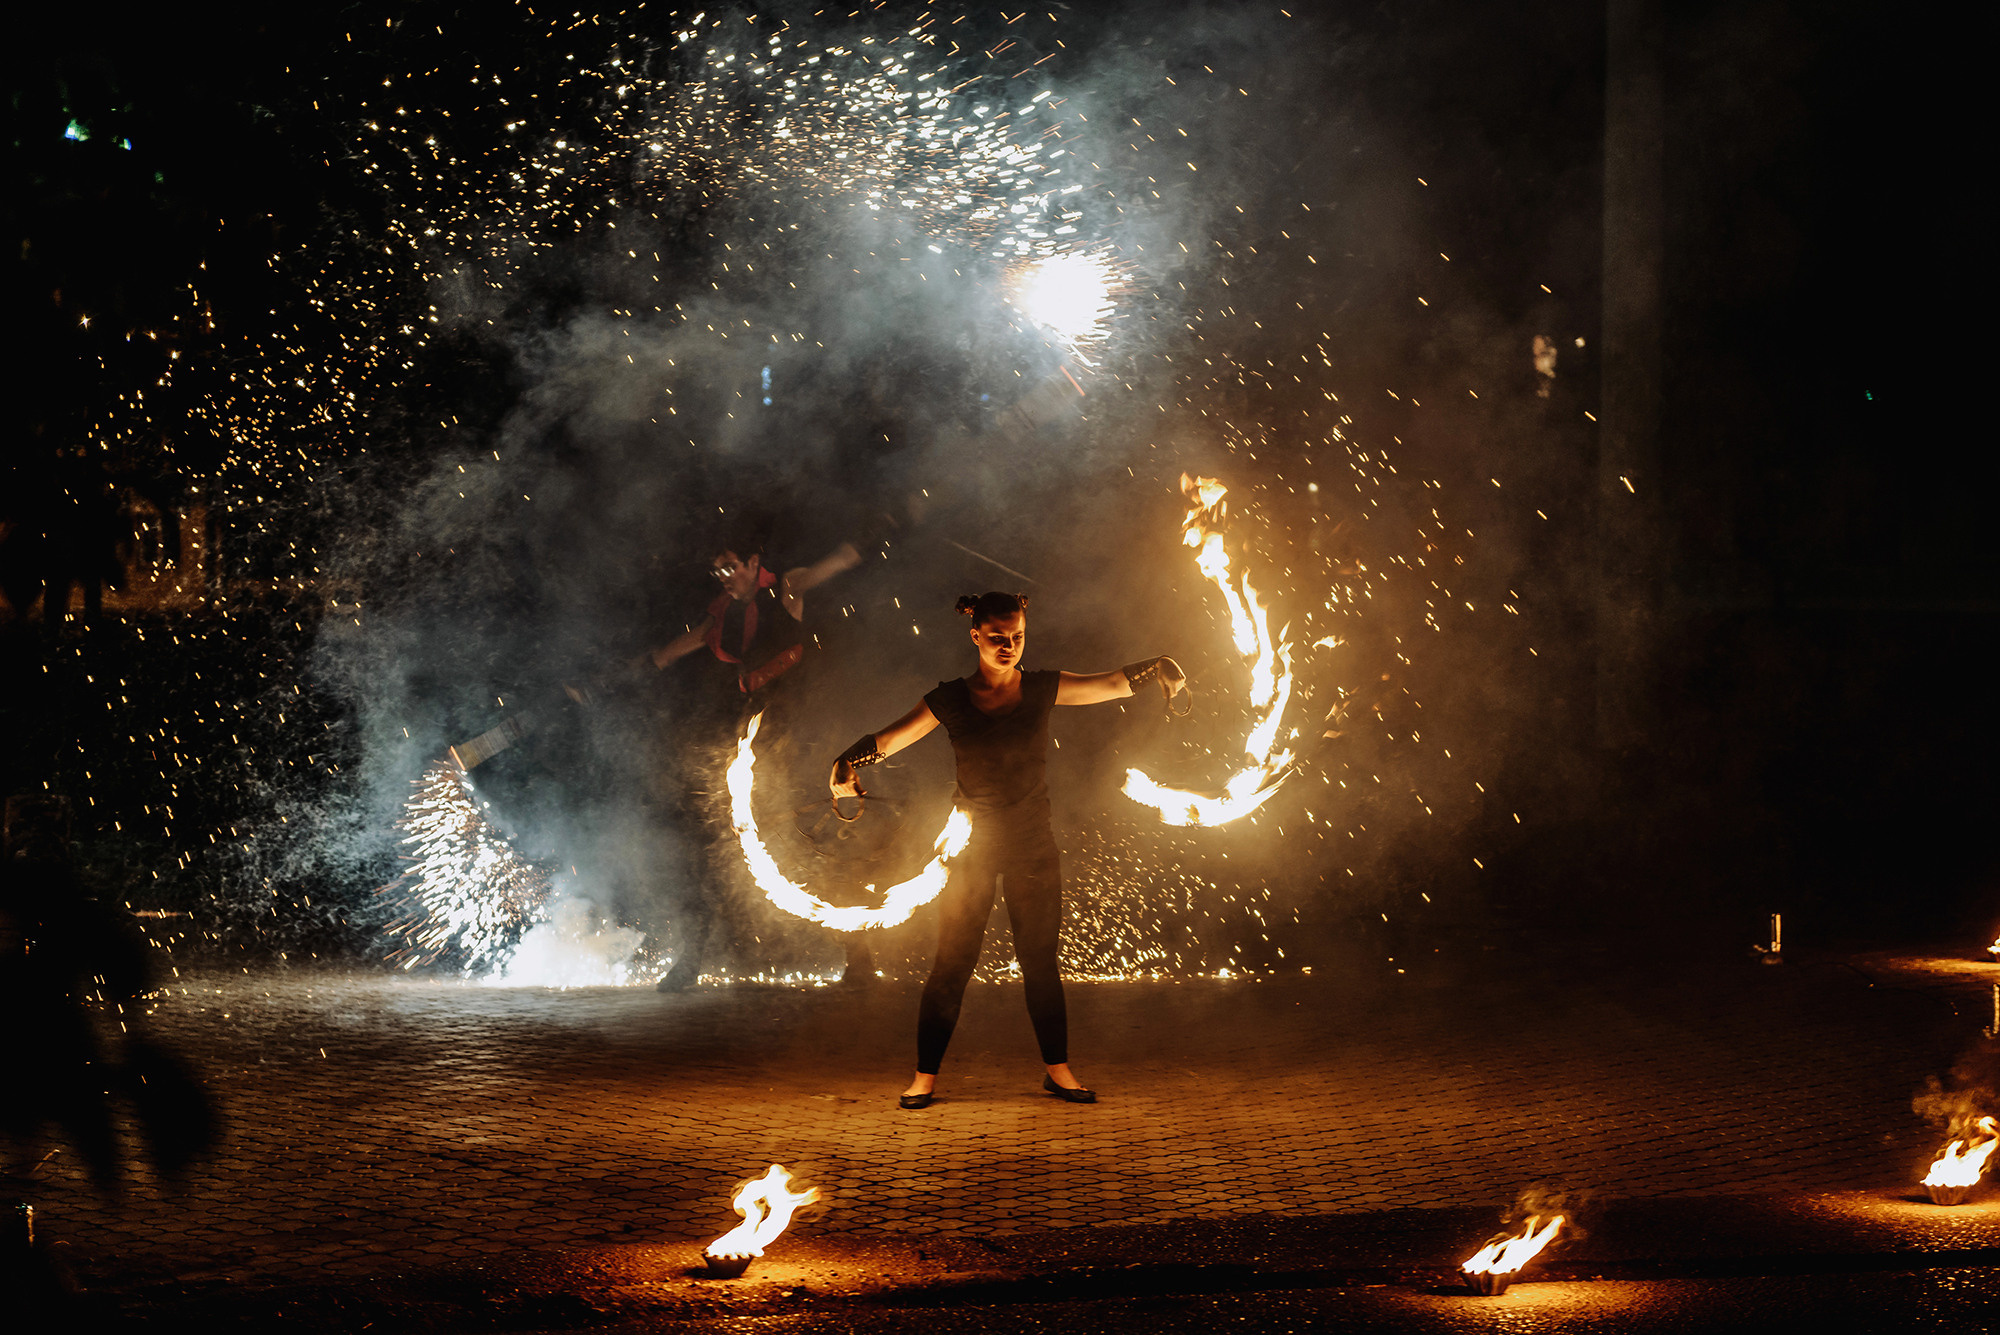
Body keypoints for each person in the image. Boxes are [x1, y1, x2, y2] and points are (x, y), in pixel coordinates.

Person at [828, 591, 1184, 1108]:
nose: (1009, 647)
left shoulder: (1042, 688)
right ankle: (923, 1078)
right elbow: (888, 740)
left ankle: (1057, 1071)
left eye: (1017, 637)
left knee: (1040, 963)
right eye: (997, 638)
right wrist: (846, 763)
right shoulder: (949, 699)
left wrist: (1160, 667)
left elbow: (1110, 684)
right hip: (971, 849)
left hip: (1033, 846)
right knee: (952, 963)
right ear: (975, 637)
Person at [645, 521, 869, 992]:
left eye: (731, 566)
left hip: (797, 730)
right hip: (750, 730)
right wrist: (621, 675)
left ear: (753, 563)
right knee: (712, 836)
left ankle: (860, 955)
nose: (724, 576)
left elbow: (835, 562)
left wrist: (874, 536)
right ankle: (693, 956)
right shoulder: (721, 613)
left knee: (811, 836)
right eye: (717, 570)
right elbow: (671, 652)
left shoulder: (785, 588)